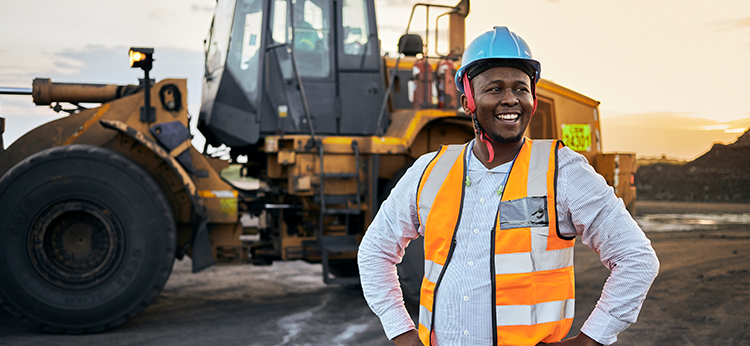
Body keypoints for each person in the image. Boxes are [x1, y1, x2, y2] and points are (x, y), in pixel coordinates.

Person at [357, 26, 659, 346]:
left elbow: (636, 259)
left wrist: (591, 339)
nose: (510, 99)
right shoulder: (429, 171)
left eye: (521, 88)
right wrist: (402, 333)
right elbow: (375, 251)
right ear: (467, 100)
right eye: (495, 89)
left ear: (533, 99)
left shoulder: (564, 172)